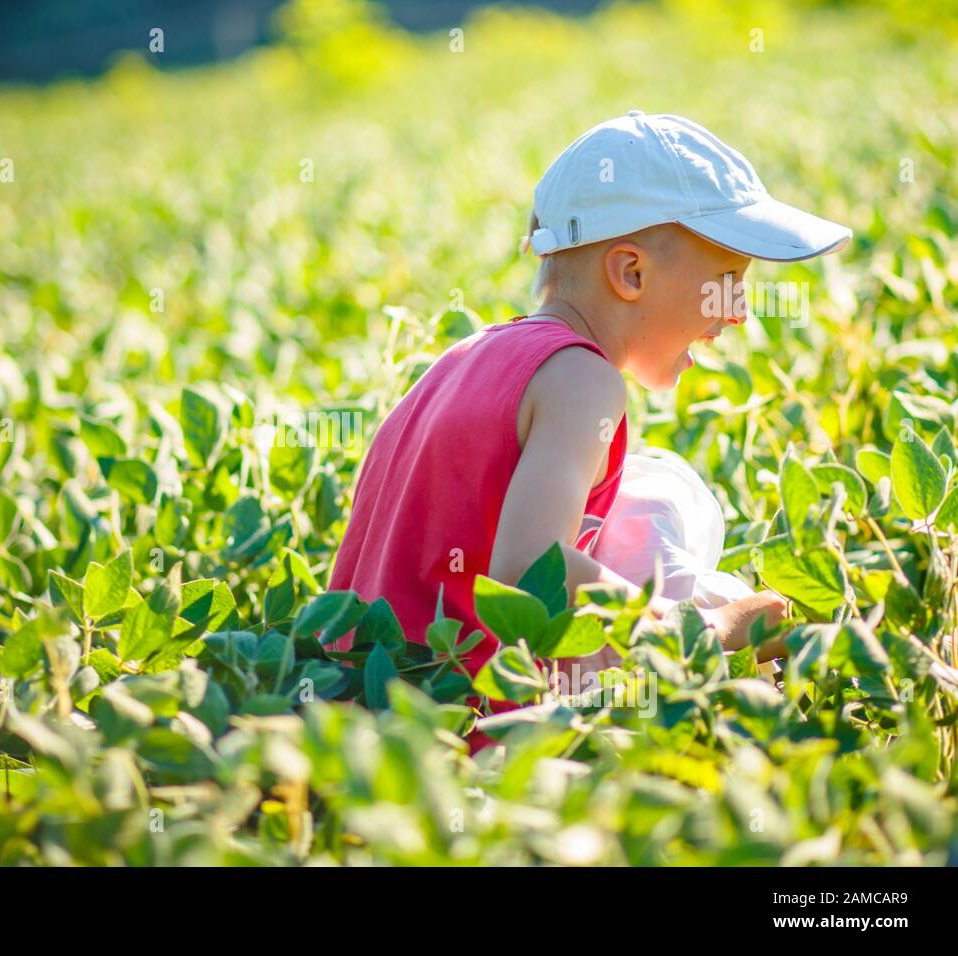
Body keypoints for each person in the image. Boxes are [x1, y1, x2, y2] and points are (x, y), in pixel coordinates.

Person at [325, 111, 852, 752]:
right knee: (743, 665)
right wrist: (691, 629)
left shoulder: (465, 361)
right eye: (728, 282)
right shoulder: (582, 380)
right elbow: (528, 567)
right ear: (630, 273)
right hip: (464, 734)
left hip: (358, 712)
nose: (738, 313)